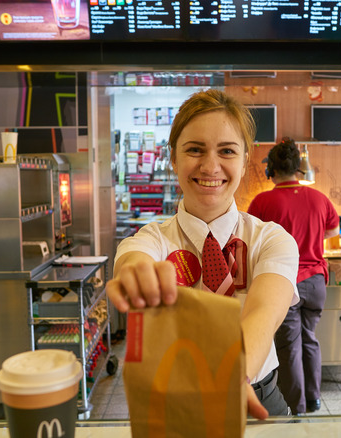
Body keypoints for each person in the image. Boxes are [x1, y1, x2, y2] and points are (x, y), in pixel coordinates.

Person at [105, 89, 300, 419]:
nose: (211, 166)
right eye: (195, 150)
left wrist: (232, 377)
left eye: (226, 151)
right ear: (173, 158)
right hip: (175, 404)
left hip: (256, 398)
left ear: (245, 159)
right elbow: (134, 259)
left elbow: (263, 315)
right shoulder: (151, 239)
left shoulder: (271, 240)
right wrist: (135, 275)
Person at [247, 137, 339, 415]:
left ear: (271, 170)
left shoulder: (263, 201)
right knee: (309, 337)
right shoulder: (320, 198)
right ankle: (313, 399)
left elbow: (250, 241)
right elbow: (333, 233)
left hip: (285, 284)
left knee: (288, 345)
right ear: (298, 169)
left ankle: (296, 408)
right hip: (316, 281)